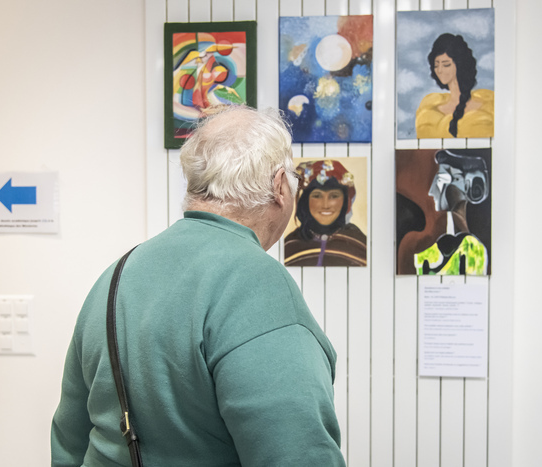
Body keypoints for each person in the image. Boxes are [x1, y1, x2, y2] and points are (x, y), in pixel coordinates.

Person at [50, 105, 346, 466]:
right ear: (279, 185)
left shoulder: (115, 276)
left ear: (195, 184)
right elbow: (297, 451)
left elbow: (69, 439)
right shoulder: (256, 284)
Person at [412, 149, 489, 275]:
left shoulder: (474, 250)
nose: (431, 191)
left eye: (440, 180)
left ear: (468, 183)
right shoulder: (437, 250)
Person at [284, 159, 367, 266]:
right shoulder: (289, 245)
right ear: (305, 201)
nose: (326, 205)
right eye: (317, 196)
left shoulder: (360, 244)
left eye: (334, 196)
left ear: (345, 202)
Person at [415, 33, 494, 139]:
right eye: (436, 65)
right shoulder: (428, 105)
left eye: (446, 64)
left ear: (460, 64)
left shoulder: (489, 104)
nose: (439, 70)